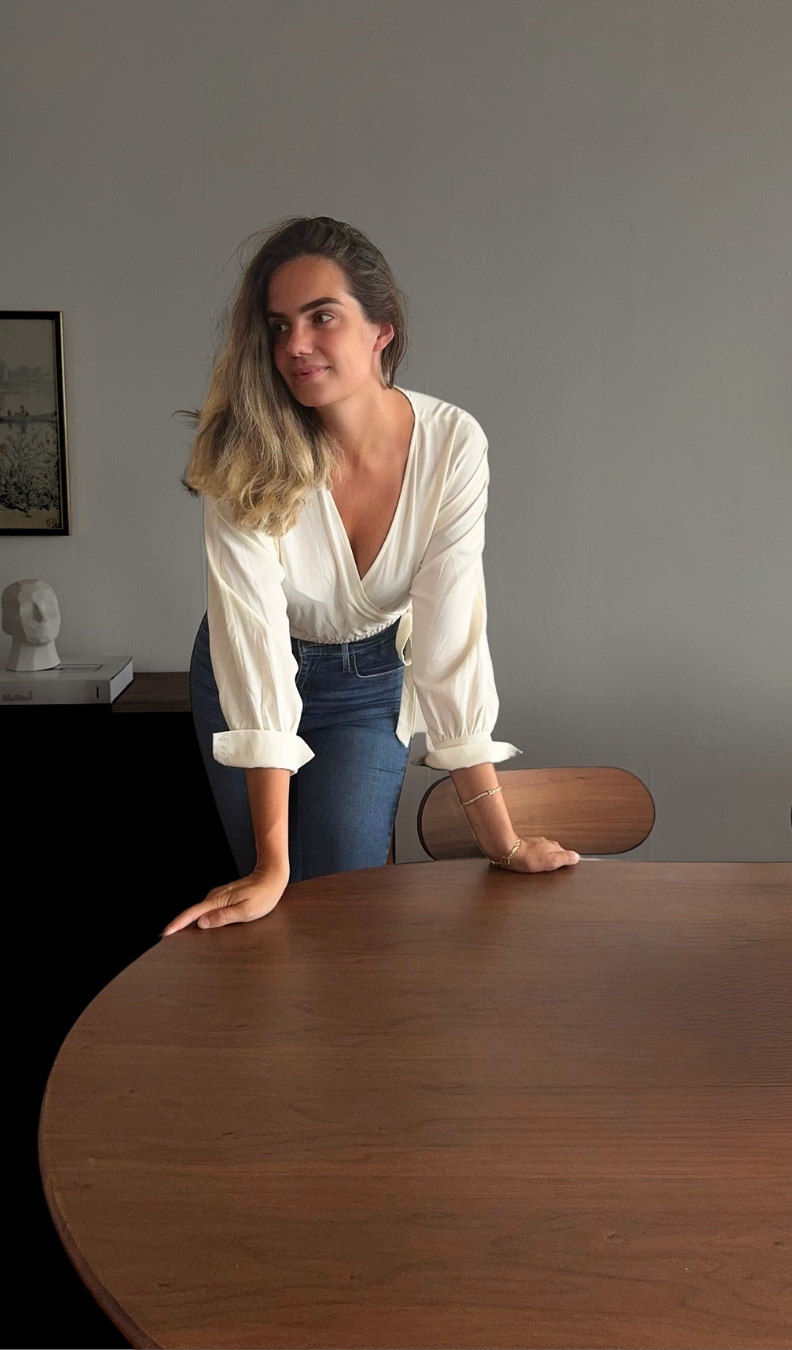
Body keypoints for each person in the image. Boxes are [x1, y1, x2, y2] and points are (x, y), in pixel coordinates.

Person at [163, 216, 579, 936]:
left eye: (322, 317)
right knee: (272, 907)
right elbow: (253, 642)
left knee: (344, 907)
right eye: (278, 324)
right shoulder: (244, 448)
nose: (295, 345)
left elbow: (450, 643)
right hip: (247, 674)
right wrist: (270, 865)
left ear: (381, 328)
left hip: (369, 686)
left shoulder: (452, 444)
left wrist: (502, 843)